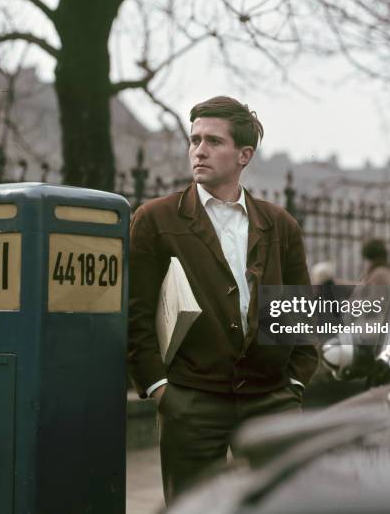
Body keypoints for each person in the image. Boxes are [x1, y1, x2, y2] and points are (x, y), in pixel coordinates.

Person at [128, 96, 317, 503]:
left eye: (213, 141)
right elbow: (136, 315)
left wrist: (295, 382)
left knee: (281, 506)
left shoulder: (279, 224)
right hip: (191, 401)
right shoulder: (156, 219)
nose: (199, 150)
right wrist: (161, 390)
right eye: (194, 139)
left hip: (271, 398)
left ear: (244, 155)